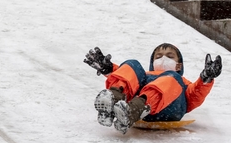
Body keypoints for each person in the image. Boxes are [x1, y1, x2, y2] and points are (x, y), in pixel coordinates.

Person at [85, 43, 222, 133]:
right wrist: (107, 69)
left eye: (169, 56)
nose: (162, 59)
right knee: (132, 65)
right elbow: (129, 77)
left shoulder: (180, 81)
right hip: (135, 104)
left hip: (169, 109)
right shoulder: (145, 75)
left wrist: (206, 77)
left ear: (179, 65)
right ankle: (114, 98)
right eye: (158, 56)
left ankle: (136, 109)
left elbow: (195, 95)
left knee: (171, 79)